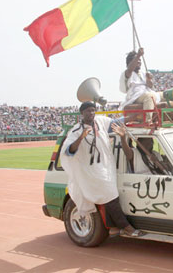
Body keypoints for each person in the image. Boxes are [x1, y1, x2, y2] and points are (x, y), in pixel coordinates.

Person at [60, 101, 145, 237]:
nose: (91, 113)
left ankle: (113, 228)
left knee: (110, 197)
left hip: (106, 167)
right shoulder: (76, 131)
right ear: (82, 113)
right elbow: (69, 151)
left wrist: (133, 117)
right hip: (90, 172)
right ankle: (126, 227)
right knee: (110, 195)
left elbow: (115, 122)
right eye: (88, 111)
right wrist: (81, 138)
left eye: (93, 110)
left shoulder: (100, 121)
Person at [119, 48, 164, 121]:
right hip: (136, 96)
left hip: (147, 92)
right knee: (150, 96)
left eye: (140, 60)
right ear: (130, 62)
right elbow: (130, 69)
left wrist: (149, 79)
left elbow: (150, 86)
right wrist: (138, 56)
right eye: (137, 60)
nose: (139, 61)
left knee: (166, 95)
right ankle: (148, 121)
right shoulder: (127, 73)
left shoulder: (143, 73)